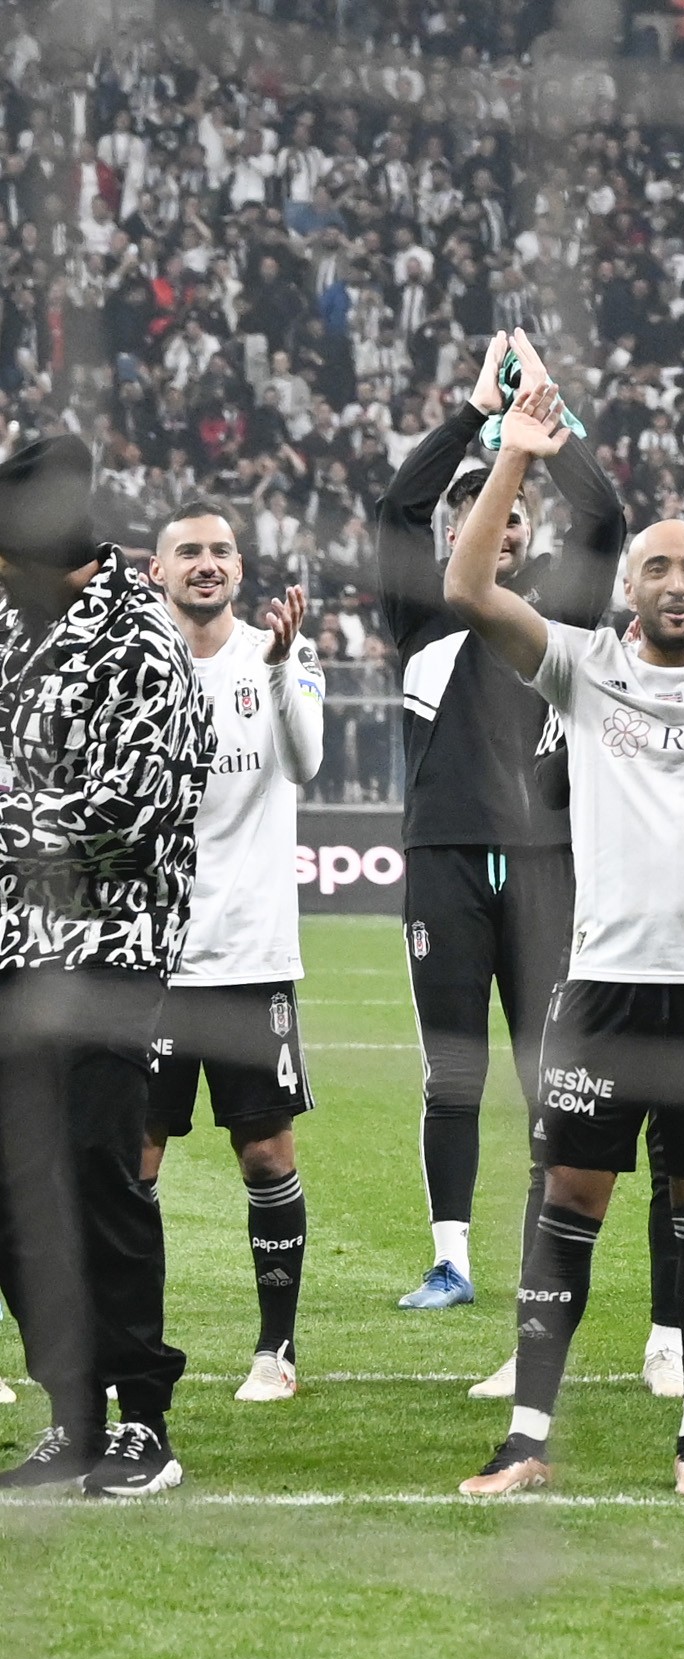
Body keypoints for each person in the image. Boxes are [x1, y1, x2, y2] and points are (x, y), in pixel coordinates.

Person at [446, 386, 684, 1502]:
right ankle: (528, 1436)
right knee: (569, 1202)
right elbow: (465, 587)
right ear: (628, 587)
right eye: (657, 569)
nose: (676, 584)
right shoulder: (585, 666)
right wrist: (519, 460)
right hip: (603, 991)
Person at [377, 332, 626, 1313]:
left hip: (546, 865)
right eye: (483, 513)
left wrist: (542, 425)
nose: (502, 526)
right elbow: (400, 505)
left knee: (545, 1072)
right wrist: (475, 418)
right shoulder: (424, 612)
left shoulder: (561, 609)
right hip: (442, 859)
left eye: (515, 513)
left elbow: (604, 513)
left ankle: (541, 1266)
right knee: (454, 1072)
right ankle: (452, 1261)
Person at [0, 433, 207, 1497]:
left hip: (106, 953)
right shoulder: (8, 626)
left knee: (95, 1176)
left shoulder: (140, 640)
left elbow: (133, 816)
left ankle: (143, 1421)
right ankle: (70, 1411)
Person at [140, 502, 325, 1405]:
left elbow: (308, 760)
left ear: (240, 569)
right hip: (150, 958)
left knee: (267, 1157)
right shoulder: (133, 666)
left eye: (219, 551)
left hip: (251, 955)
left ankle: (275, 1353)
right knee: (133, 1164)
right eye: (188, 553)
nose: (205, 564)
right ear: (157, 572)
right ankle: (130, 1349)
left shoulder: (279, 654)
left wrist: (286, 668)